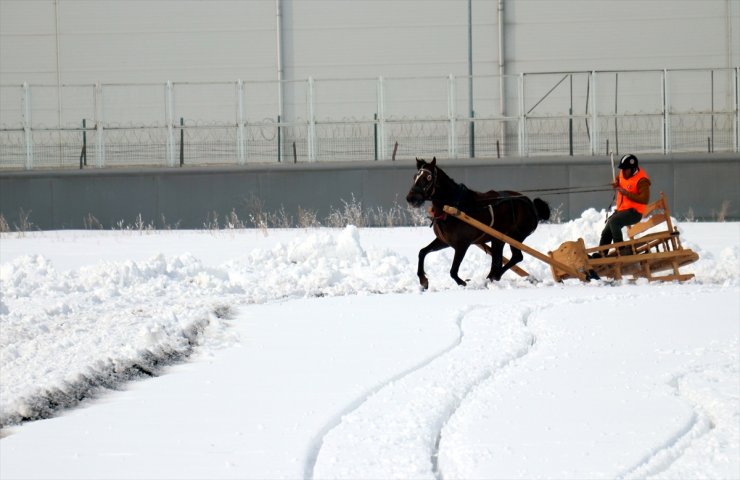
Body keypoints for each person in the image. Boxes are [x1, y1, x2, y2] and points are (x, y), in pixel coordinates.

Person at [593, 153, 651, 257]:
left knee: (614, 221)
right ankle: (601, 255)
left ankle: (621, 249)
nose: (623, 172)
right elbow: (619, 179)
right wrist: (615, 182)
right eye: (622, 169)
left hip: (634, 213)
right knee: (607, 230)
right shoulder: (623, 173)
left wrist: (626, 193)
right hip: (622, 211)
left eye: (625, 170)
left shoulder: (642, 180)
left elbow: (645, 199)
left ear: (633, 169)